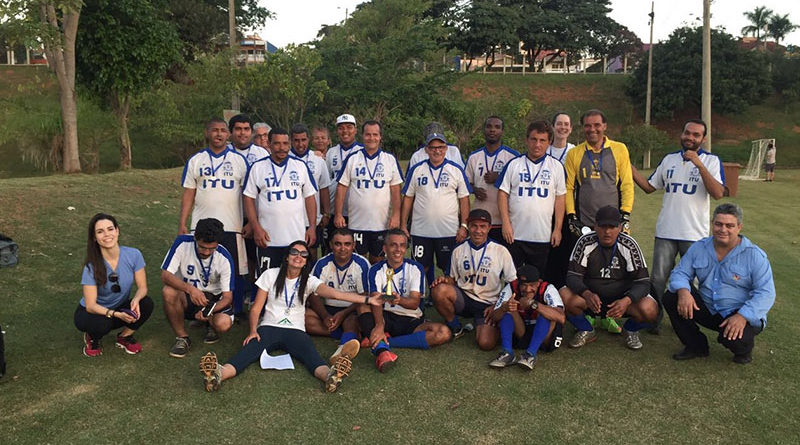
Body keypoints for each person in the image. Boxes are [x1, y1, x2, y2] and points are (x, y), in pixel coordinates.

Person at [198, 240, 385, 393]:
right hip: (268, 327)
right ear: (287, 257)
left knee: (311, 356)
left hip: (295, 330)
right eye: (294, 252)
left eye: (303, 254)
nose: (298, 257)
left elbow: (335, 294)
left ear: (306, 261)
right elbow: (256, 308)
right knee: (247, 353)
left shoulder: (309, 281)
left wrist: (368, 300)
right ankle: (218, 374)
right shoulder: (270, 275)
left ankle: (331, 376)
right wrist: (253, 330)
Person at [631, 119, 724, 333]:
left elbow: (718, 193)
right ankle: (653, 319)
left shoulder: (711, 160)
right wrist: (627, 164)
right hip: (666, 231)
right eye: (687, 133)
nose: (690, 137)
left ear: (703, 139)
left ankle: (689, 322)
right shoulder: (669, 159)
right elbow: (649, 187)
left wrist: (699, 165)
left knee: (694, 282)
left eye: (696, 135)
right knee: (658, 279)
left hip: (695, 235)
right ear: (682, 134)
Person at [664, 203, 775, 364]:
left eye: (729, 225)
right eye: (719, 224)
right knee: (671, 296)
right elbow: (680, 272)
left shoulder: (755, 255)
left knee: (734, 340)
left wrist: (742, 316)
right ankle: (696, 346)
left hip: (738, 312)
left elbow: (766, 293)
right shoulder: (699, 247)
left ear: (739, 227)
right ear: (712, 224)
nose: (723, 229)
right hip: (708, 307)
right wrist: (683, 292)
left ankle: (743, 350)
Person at [178, 118, 249, 315]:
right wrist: (182, 222)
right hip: (201, 226)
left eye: (223, 130)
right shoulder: (196, 160)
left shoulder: (239, 161)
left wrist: (250, 222)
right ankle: (199, 310)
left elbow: (248, 195)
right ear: (207, 133)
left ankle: (234, 311)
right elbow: (189, 193)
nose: (219, 134)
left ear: (229, 134)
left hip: (232, 226)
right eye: (214, 130)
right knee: (201, 268)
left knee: (234, 269)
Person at [561, 206, 657, 350]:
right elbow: (572, 276)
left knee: (650, 309)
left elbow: (643, 283)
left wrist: (627, 300)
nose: (607, 231)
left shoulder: (629, 244)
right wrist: (586, 294)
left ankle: (630, 330)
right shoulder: (585, 241)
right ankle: (586, 329)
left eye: (612, 227)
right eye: (603, 226)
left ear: (620, 227)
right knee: (564, 295)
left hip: (621, 300)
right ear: (595, 226)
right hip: (591, 299)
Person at [357, 229, 451, 372]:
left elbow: (414, 303)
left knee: (443, 333)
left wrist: (399, 300)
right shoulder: (376, 269)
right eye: (393, 245)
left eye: (402, 245)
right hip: (385, 317)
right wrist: (380, 325)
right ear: (385, 248)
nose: (398, 249)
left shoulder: (415, 268)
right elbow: (376, 300)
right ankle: (382, 350)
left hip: (410, 320)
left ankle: (384, 341)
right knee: (362, 305)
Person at [430, 209, 517, 348]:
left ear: (489, 228)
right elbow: (451, 278)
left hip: (488, 303)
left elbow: (512, 283)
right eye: (474, 226)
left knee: (486, 343)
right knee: (439, 290)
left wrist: (498, 305)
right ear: (468, 226)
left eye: (482, 227)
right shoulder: (459, 249)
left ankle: (487, 325)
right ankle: (455, 326)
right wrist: (443, 281)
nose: (478, 231)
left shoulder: (500, 250)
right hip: (464, 298)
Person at [75, 213, 153, 357]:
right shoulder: (91, 266)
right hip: (93, 313)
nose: (107, 234)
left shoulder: (134, 255)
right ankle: (92, 337)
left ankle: (124, 337)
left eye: (110, 229)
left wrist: (136, 300)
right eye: (100, 231)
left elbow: (142, 288)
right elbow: (90, 306)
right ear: (94, 237)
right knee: (103, 323)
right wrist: (116, 314)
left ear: (117, 231)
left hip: (118, 308)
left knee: (146, 303)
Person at [401, 132, 471, 287]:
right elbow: (408, 198)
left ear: (446, 149)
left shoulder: (455, 170)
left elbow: (464, 200)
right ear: (426, 149)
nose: (437, 151)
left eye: (440, 147)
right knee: (420, 268)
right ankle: (420, 297)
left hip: (448, 231)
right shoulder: (417, 169)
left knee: (449, 270)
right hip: (420, 231)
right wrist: (403, 225)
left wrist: (464, 226)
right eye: (433, 148)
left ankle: (446, 297)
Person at [496, 120, 566, 273]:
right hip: (515, 235)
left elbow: (560, 199)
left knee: (537, 279)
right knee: (513, 278)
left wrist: (557, 229)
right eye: (533, 139)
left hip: (541, 235)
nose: (537, 144)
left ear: (549, 142)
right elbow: (502, 194)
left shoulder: (556, 167)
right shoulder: (514, 164)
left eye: (542, 140)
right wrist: (506, 223)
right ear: (526, 140)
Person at [244, 128, 318, 272]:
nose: (282, 148)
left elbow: (310, 197)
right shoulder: (257, 167)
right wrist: (256, 227)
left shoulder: (300, 166)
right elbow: (248, 198)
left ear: (289, 144)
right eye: (277, 143)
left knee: (296, 278)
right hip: (268, 239)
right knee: (267, 279)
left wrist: (312, 227)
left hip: (296, 238)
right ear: (269, 144)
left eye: (285, 143)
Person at [162, 218, 235, 358]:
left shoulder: (224, 257)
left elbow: (227, 297)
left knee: (223, 324)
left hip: (212, 300)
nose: (206, 252)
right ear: (195, 237)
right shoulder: (182, 243)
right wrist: (190, 289)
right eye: (202, 247)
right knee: (168, 291)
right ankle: (182, 338)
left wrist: (208, 311)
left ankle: (210, 324)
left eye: (211, 248)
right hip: (187, 295)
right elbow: (165, 275)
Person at [334, 120, 404, 263]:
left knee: (378, 260)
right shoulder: (353, 158)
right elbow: (341, 188)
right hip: (357, 223)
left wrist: (396, 215)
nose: (371, 138)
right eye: (368, 134)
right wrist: (338, 214)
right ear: (362, 136)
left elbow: (396, 190)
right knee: (357, 261)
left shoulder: (389, 160)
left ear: (380, 137)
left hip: (381, 223)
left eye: (375, 134)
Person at [564, 109, 634, 234]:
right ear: (583, 128)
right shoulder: (574, 153)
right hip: (584, 224)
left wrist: (625, 213)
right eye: (587, 126)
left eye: (597, 125)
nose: (592, 129)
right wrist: (571, 215)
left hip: (613, 223)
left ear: (604, 126)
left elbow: (627, 184)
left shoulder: (620, 149)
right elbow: (568, 188)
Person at [306, 228, 370, 358]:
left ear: (353, 245)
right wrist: (325, 316)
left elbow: (365, 296)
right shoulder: (322, 263)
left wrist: (343, 314)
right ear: (331, 245)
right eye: (338, 244)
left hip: (352, 309)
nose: (342, 248)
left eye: (347, 244)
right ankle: (349, 335)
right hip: (329, 309)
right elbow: (312, 293)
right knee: (303, 316)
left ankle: (342, 351)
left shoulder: (362, 264)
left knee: (352, 321)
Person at [489, 265, 565, 370]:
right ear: (518, 283)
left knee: (547, 313)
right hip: (522, 331)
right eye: (523, 285)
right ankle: (507, 353)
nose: (528, 289)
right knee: (508, 309)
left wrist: (533, 304)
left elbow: (561, 317)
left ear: (538, 283)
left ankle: (530, 355)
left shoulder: (548, 288)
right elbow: (494, 316)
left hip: (545, 336)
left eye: (532, 285)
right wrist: (504, 308)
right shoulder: (511, 287)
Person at [464, 116, 520, 246]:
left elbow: (519, 185)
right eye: (489, 126)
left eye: (497, 127)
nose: (492, 130)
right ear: (484, 130)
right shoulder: (474, 157)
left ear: (502, 131)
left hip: (504, 221)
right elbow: (465, 184)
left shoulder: (513, 156)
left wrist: (499, 178)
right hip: (480, 220)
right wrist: (475, 190)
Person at [290, 123, 331, 263]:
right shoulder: (285, 159)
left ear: (308, 140)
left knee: (311, 252)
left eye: (303, 140)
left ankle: (311, 275)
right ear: (291, 141)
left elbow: (324, 188)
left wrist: (326, 213)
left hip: (311, 218)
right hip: (290, 218)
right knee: (292, 253)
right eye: (296, 140)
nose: (300, 144)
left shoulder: (318, 160)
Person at [323, 114, 363, 252]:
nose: (345, 131)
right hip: (335, 211)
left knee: (356, 250)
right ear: (337, 131)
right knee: (333, 249)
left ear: (355, 130)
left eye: (349, 127)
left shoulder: (362, 151)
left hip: (355, 212)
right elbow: (327, 181)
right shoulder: (331, 152)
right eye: (341, 128)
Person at [545, 112, 576, 289]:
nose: (562, 127)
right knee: (548, 252)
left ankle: (564, 289)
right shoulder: (544, 149)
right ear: (552, 127)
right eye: (559, 123)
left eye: (566, 124)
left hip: (568, 208)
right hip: (546, 208)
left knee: (565, 251)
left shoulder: (575, 151)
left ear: (570, 129)